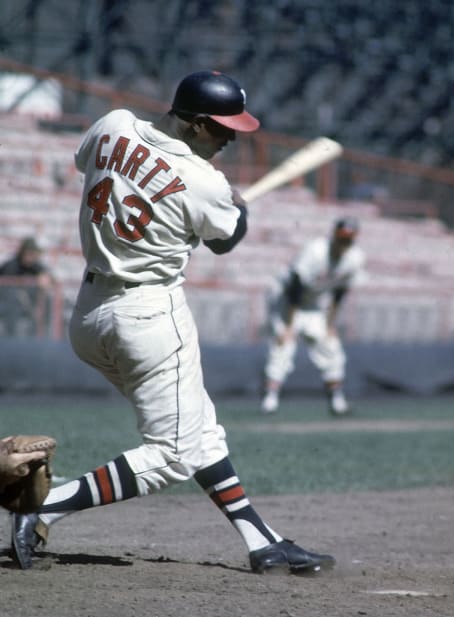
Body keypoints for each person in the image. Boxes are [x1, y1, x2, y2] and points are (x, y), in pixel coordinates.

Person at [10, 71, 335, 574]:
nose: (230, 139)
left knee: (200, 433)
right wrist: (237, 210)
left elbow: (89, 165)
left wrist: (212, 198)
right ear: (198, 124)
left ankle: (262, 542)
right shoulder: (207, 182)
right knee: (173, 454)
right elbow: (226, 240)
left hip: (90, 315)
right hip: (149, 319)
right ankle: (48, 505)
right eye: (224, 129)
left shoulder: (113, 123)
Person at [260, 217, 366, 415]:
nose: (344, 244)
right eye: (342, 238)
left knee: (330, 347)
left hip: (314, 302)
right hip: (286, 299)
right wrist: (289, 326)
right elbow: (295, 288)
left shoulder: (355, 258)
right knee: (283, 345)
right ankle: (270, 398)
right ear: (334, 235)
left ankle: (336, 400)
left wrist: (330, 324)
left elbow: (339, 293)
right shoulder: (316, 251)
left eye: (348, 240)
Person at [0, 237, 54, 336]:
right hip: (9, 303)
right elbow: (8, 288)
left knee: (47, 300)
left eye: (34, 254)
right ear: (23, 253)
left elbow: (48, 276)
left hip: (27, 302)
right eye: (30, 253)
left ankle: (42, 334)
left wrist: (45, 277)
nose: (33, 256)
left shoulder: (35, 266)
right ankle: (11, 337)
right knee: (14, 299)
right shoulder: (11, 266)